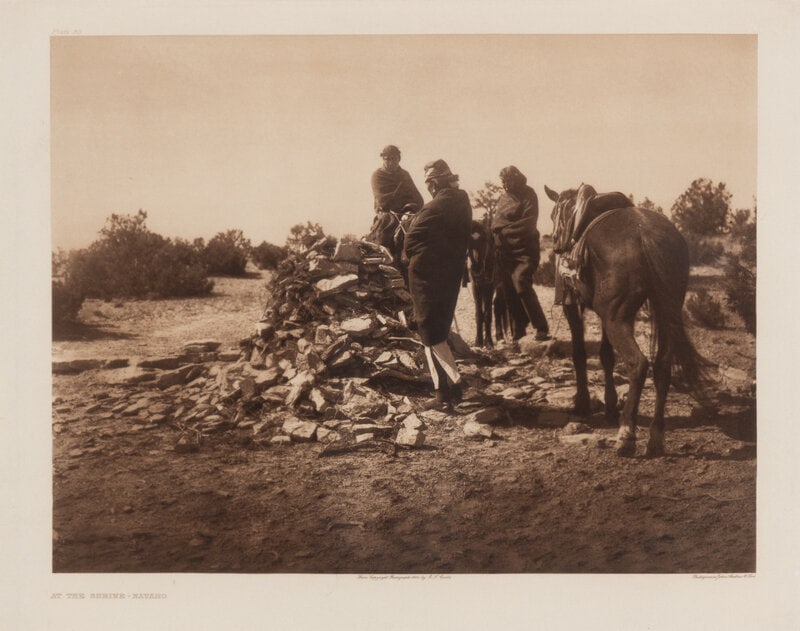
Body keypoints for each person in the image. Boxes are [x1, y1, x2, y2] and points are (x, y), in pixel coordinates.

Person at [403, 159, 472, 411]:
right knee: (434, 330)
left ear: (437, 182)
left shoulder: (437, 205)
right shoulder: (461, 201)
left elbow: (412, 239)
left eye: (431, 182)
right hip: (449, 275)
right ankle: (447, 390)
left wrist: (410, 245)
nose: (429, 187)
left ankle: (452, 387)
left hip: (427, 277)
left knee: (428, 330)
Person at [491, 165, 550, 342]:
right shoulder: (503, 198)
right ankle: (519, 330)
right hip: (505, 252)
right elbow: (495, 224)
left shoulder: (529, 194)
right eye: (503, 182)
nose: (505, 185)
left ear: (516, 179)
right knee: (509, 290)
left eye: (508, 181)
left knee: (521, 282)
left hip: (525, 250)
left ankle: (541, 327)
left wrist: (504, 232)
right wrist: (497, 234)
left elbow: (529, 223)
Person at [370, 144, 424, 215]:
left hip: (408, 212)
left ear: (399, 159)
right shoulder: (377, 175)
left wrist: (410, 209)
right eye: (388, 159)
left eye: (394, 158)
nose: (391, 162)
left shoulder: (404, 174)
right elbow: (382, 201)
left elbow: (417, 198)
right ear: (383, 159)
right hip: (387, 214)